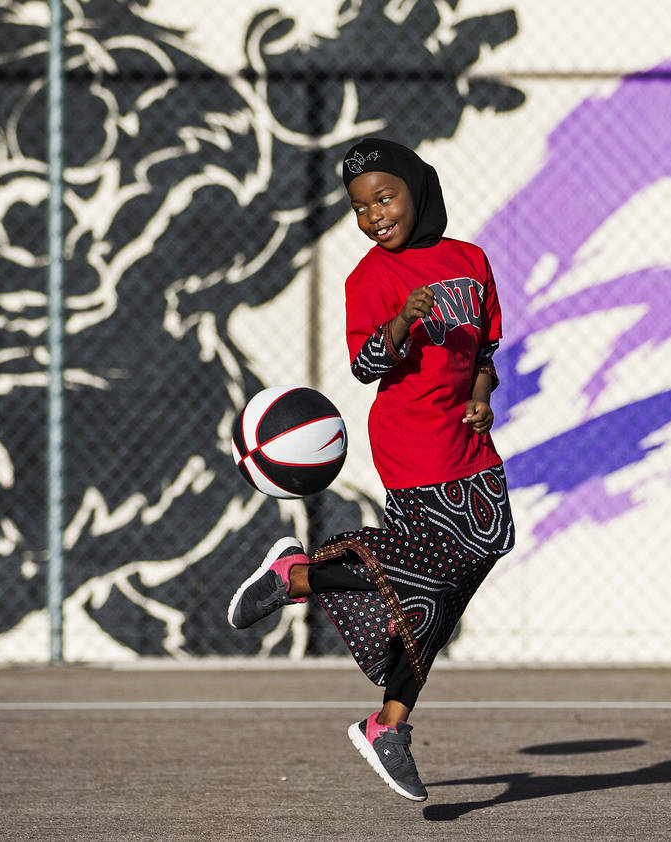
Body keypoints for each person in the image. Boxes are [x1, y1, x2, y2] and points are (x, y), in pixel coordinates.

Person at [227, 138, 515, 802]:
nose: (374, 216)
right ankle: (301, 576)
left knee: (453, 582)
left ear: (417, 190)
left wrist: (480, 397)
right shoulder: (370, 279)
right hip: (413, 444)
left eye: (384, 198)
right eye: (360, 208)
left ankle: (386, 723)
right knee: (437, 571)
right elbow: (364, 367)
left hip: (468, 439)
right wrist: (400, 326)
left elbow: (485, 352)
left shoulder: (471, 261)